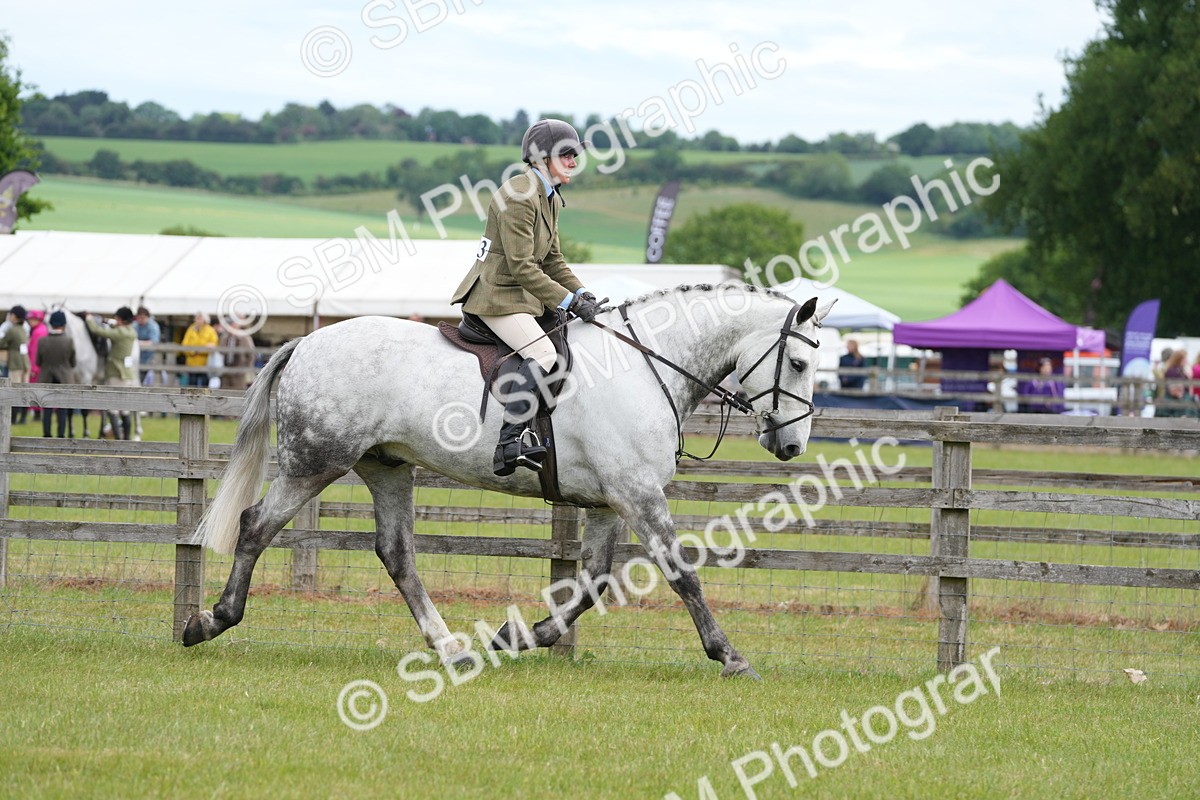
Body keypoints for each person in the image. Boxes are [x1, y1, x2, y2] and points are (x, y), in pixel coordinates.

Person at [451, 119, 600, 476]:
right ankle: (508, 442)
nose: (573, 161)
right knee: (544, 352)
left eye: (575, 154)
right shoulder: (519, 194)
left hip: (522, 295)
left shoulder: (547, 196)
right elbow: (521, 266)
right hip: (498, 296)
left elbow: (552, 260)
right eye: (566, 154)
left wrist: (581, 291)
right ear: (541, 158)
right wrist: (568, 302)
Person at [84, 307, 138, 439]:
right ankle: (126, 439)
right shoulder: (131, 331)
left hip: (116, 373)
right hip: (127, 374)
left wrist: (89, 319)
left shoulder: (120, 333)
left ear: (122, 320)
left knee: (112, 409)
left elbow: (98, 331)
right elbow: (116, 327)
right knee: (125, 409)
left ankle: (120, 439)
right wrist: (109, 321)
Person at [36, 310, 76, 438]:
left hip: (46, 377)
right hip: (64, 378)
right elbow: (73, 362)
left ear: (51, 324)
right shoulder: (69, 341)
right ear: (64, 324)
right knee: (62, 408)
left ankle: (47, 434)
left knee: (46, 408)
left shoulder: (42, 341)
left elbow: (38, 362)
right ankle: (61, 434)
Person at [2, 305, 30, 423]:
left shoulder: (12, 330)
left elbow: (2, 343)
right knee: (25, 391)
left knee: (14, 391)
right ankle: (23, 418)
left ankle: (13, 419)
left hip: (15, 363)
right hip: (25, 363)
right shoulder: (23, 329)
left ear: (15, 316)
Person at [182, 312, 218, 388]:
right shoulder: (191, 329)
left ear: (205, 319)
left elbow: (213, 345)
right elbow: (185, 344)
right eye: (197, 318)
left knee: (204, 386)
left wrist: (198, 350)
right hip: (192, 363)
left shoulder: (210, 330)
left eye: (200, 318)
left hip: (205, 363)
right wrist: (192, 351)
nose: (198, 320)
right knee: (191, 385)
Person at [218, 320, 256, 391]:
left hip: (239, 373)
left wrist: (246, 368)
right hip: (226, 371)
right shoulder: (224, 337)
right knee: (224, 392)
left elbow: (251, 354)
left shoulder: (245, 338)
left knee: (238, 393)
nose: (233, 326)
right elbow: (220, 351)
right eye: (231, 324)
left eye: (234, 324)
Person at [1158, 349, 1191, 418]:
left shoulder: (1180, 370)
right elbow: (1172, 387)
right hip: (1173, 398)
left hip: (1181, 397)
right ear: (1179, 359)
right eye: (1185, 359)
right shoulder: (1173, 371)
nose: (1186, 361)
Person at [134, 306, 162, 384]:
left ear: (147, 317)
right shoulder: (135, 325)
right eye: (138, 318)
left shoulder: (153, 326)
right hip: (137, 359)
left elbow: (154, 341)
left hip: (150, 358)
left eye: (142, 318)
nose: (140, 320)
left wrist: (138, 343)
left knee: (148, 382)